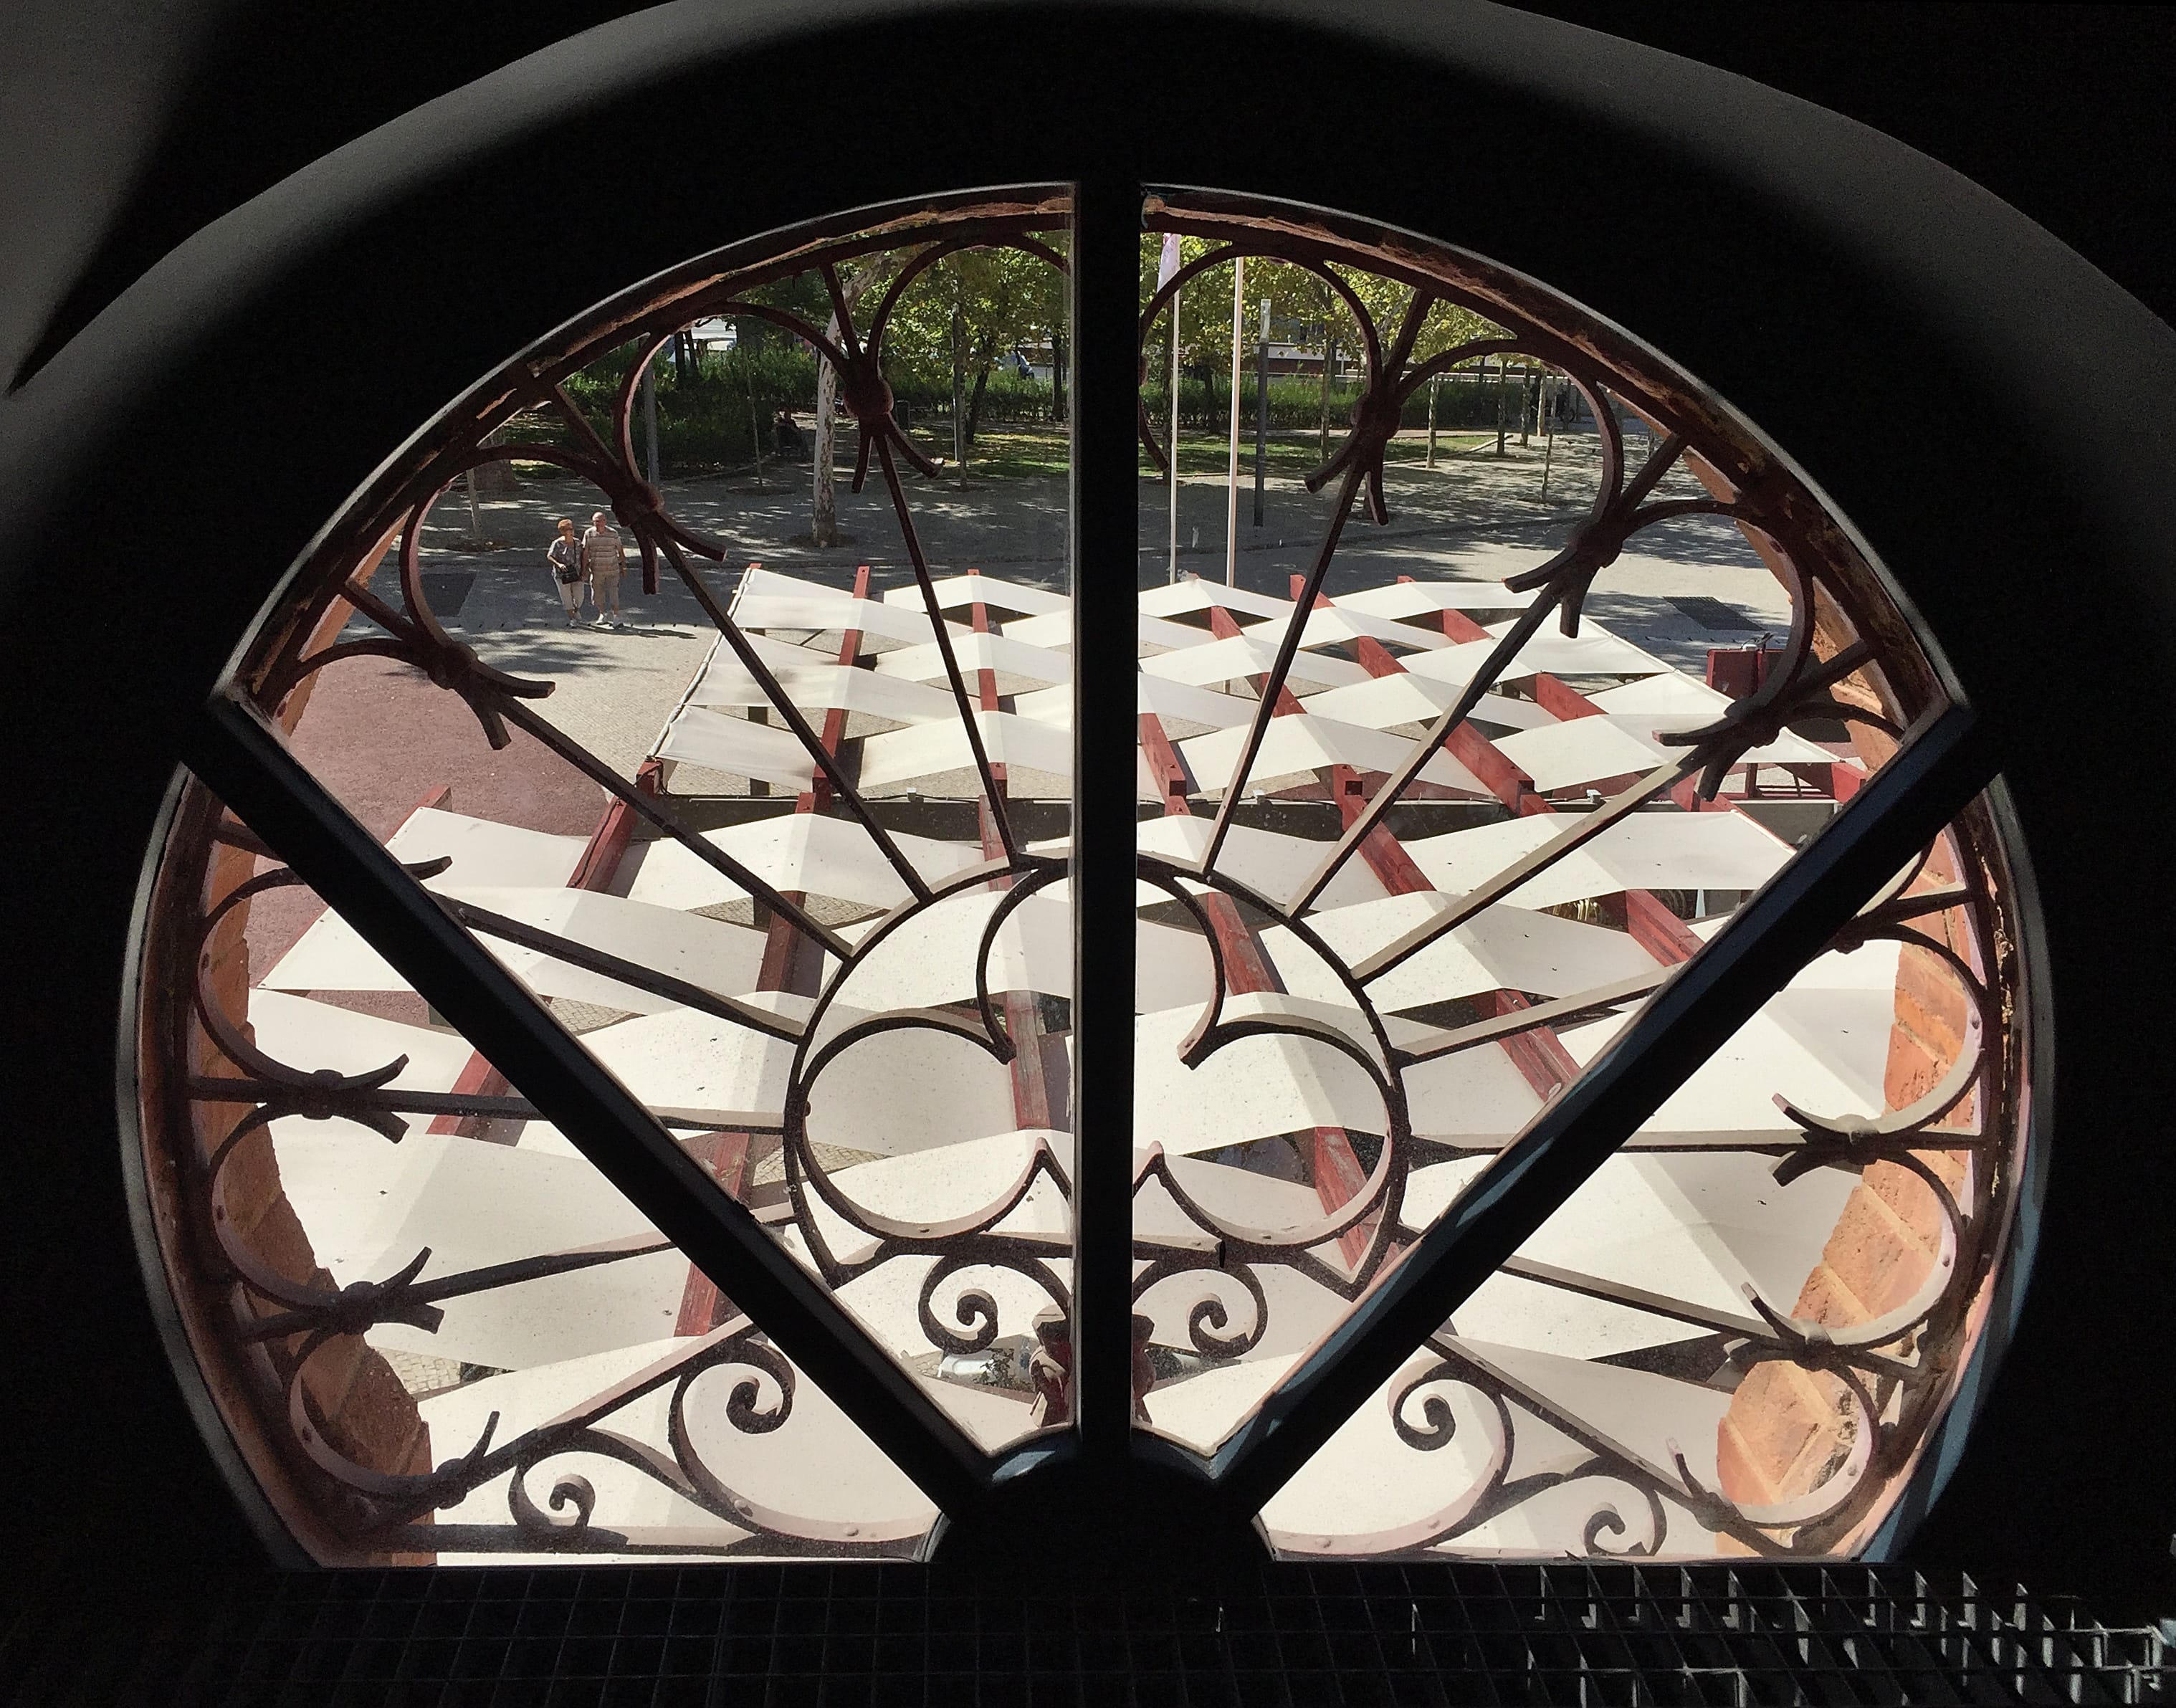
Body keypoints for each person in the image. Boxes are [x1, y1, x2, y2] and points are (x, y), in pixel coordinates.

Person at [581, 510, 626, 626]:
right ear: (593, 522)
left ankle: (616, 616)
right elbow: (585, 552)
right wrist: (584, 569)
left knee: (613, 593)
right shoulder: (589, 534)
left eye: (601, 521)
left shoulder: (613, 533)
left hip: (613, 569)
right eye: (596, 521)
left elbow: (620, 550)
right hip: (596, 570)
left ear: (605, 521)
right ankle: (602, 614)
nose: (599, 523)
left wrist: (623, 567)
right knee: (597, 593)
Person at [545, 517, 584, 626]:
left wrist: (585, 570)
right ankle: (572, 619)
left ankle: (576, 610)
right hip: (562, 575)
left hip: (577, 573)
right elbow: (550, 556)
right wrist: (559, 564)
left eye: (572, 528)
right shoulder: (557, 543)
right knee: (566, 597)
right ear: (563, 531)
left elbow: (583, 556)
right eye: (568, 529)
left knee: (579, 597)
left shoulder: (577, 542)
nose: (571, 531)